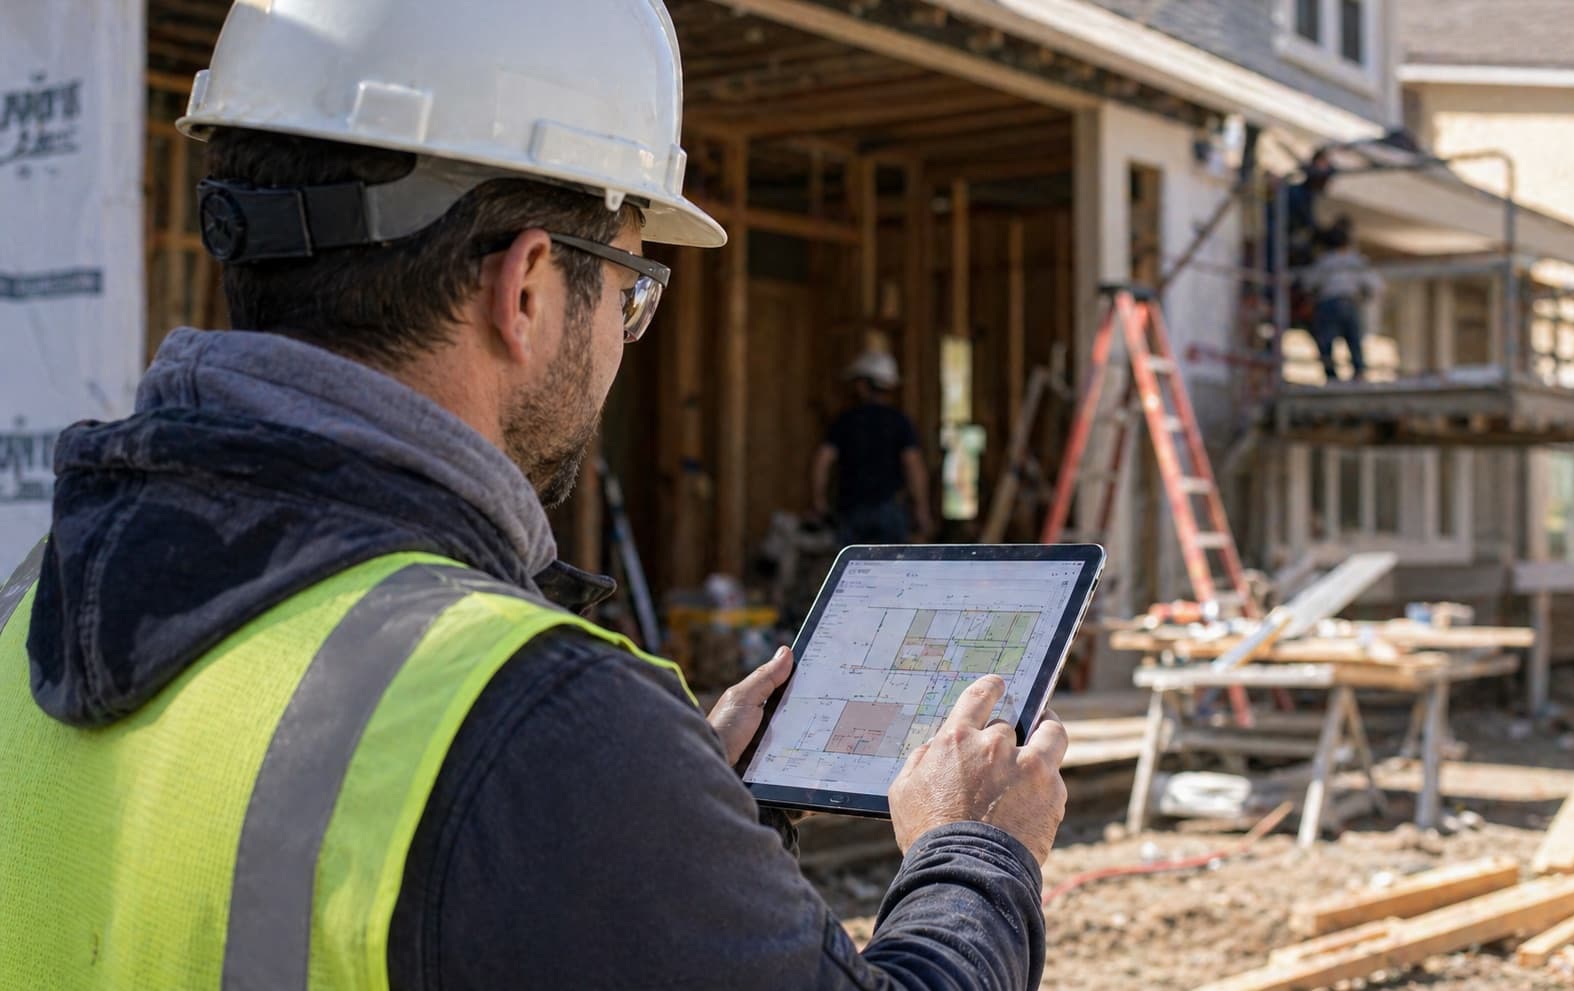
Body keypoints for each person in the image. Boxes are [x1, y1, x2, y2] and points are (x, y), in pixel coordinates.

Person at [0, 2, 1070, 989]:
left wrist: (679, 822)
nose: (621, 341)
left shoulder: (31, 604)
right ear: (525, 288)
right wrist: (974, 852)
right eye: (629, 290)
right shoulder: (539, 724)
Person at [812, 349, 934, 545]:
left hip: (852, 509)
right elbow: (914, 466)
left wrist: (819, 500)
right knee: (893, 570)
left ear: (863, 385)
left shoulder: (846, 421)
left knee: (853, 570)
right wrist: (922, 510)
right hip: (890, 509)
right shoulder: (899, 422)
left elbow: (823, 461)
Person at [1303, 219, 1384, 381]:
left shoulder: (1325, 261)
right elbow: (1375, 284)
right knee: (1354, 340)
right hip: (1348, 302)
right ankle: (1358, 372)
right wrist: (1364, 298)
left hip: (1329, 303)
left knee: (1327, 341)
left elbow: (1309, 283)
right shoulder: (1356, 260)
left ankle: (1331, 374)